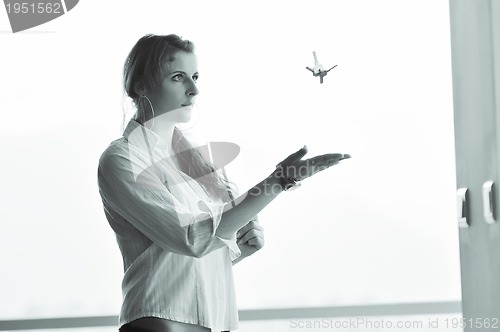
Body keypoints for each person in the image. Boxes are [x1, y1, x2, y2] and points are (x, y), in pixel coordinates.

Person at [97, 33, 350, 332]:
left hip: (214, 321)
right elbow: (190, 238)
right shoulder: (123, 159)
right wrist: (279, 181)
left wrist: (241, 247)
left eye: (194, 76)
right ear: (141, 85)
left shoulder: (196, 164)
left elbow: (193, 257)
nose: (194, 89)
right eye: (178, 77)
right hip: (159, 322)